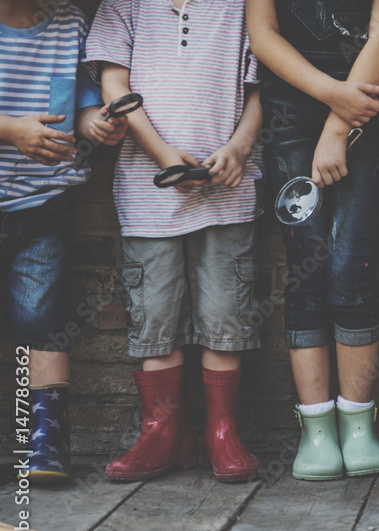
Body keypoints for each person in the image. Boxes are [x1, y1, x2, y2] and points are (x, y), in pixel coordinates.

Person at [85, 0, 264, 482]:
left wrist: (239, 149)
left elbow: (261, 89)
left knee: (225, 315)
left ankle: (221, 433)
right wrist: (164, 156)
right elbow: (114, 86)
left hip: (228, 190)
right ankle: (164, 432)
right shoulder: (124, 6)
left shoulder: (240, 6)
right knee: (156, 317)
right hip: (149, 196)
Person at [246, 0, 379, 480]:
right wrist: (333, 94)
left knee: (351, 268)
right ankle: (315, 431)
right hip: (290, 117)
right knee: (307, 269)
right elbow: (264, 35)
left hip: (365, 114)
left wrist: (340, 124)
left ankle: (359, 426)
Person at [0, 0, 128, 483]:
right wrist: (11, 131)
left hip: (43, 204)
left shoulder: (69, 22)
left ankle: (47, 442)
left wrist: (97, 123)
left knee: (43, 320)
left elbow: (79, 103)